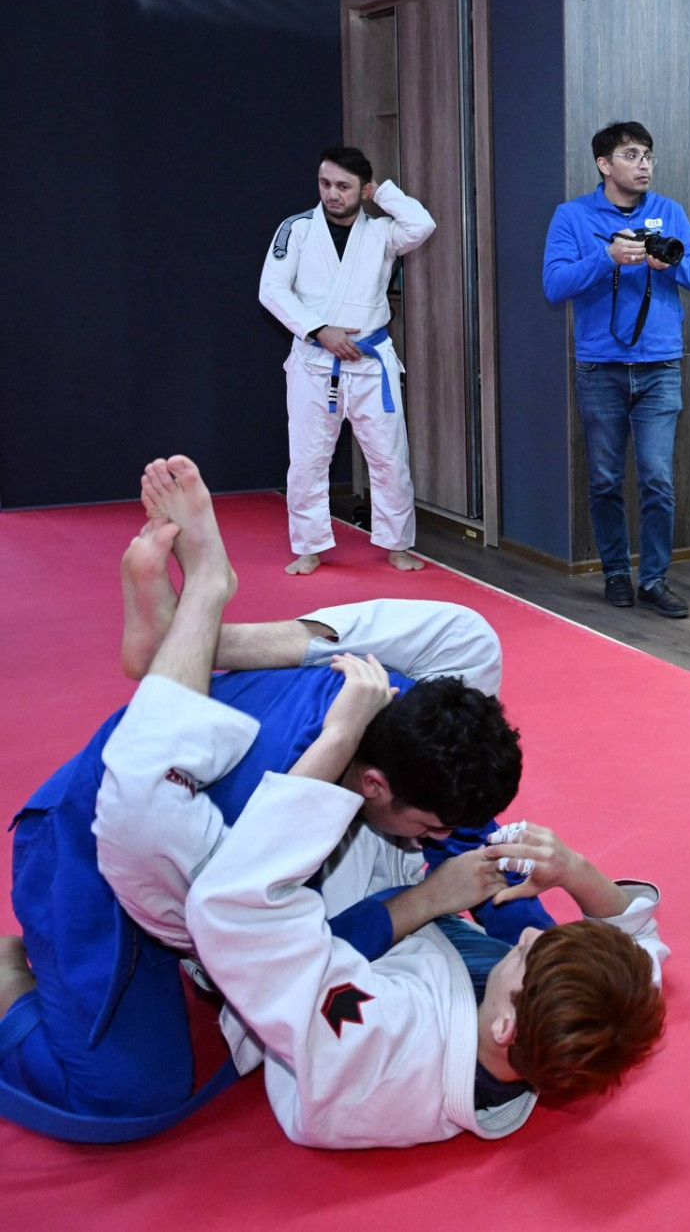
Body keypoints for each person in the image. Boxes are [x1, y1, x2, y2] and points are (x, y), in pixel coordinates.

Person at [0, 459, 536, 1141]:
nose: (440, 841)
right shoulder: (243, 826)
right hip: (93, 850)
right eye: (429, 826)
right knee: (124, 1097)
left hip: (187, 805)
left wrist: (545, 936)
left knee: (470, 642)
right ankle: (10, 972)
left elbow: (463, 832)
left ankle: (190, 641)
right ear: (376, 785)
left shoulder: (402, 701)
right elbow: (267, 948)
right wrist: (426, 899)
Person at [543, 121, 690, 616]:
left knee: (658, 479)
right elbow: (554, 286)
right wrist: (608, 257)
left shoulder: (670, 212)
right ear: (604, 164)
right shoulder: (572, 216)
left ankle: (655, 580)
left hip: (660, 366)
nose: (644, 165)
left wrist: (670, 264)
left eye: (648, 156)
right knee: (605, 479)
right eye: (632, 155)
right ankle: (616, 573)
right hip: (601, 369)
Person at [260, 147, 435, 576]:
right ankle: (309, 547)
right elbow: (272, 290)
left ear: (364, 190)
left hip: (371, 363)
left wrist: (385, 193)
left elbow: (422, 224)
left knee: (390, 459)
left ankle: (397, 544)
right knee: (307, 461)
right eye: (325, 184)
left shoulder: (383, 233)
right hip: (314, 362)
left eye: (343, 186)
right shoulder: (297, 229)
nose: (332, 194)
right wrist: (320, 330)